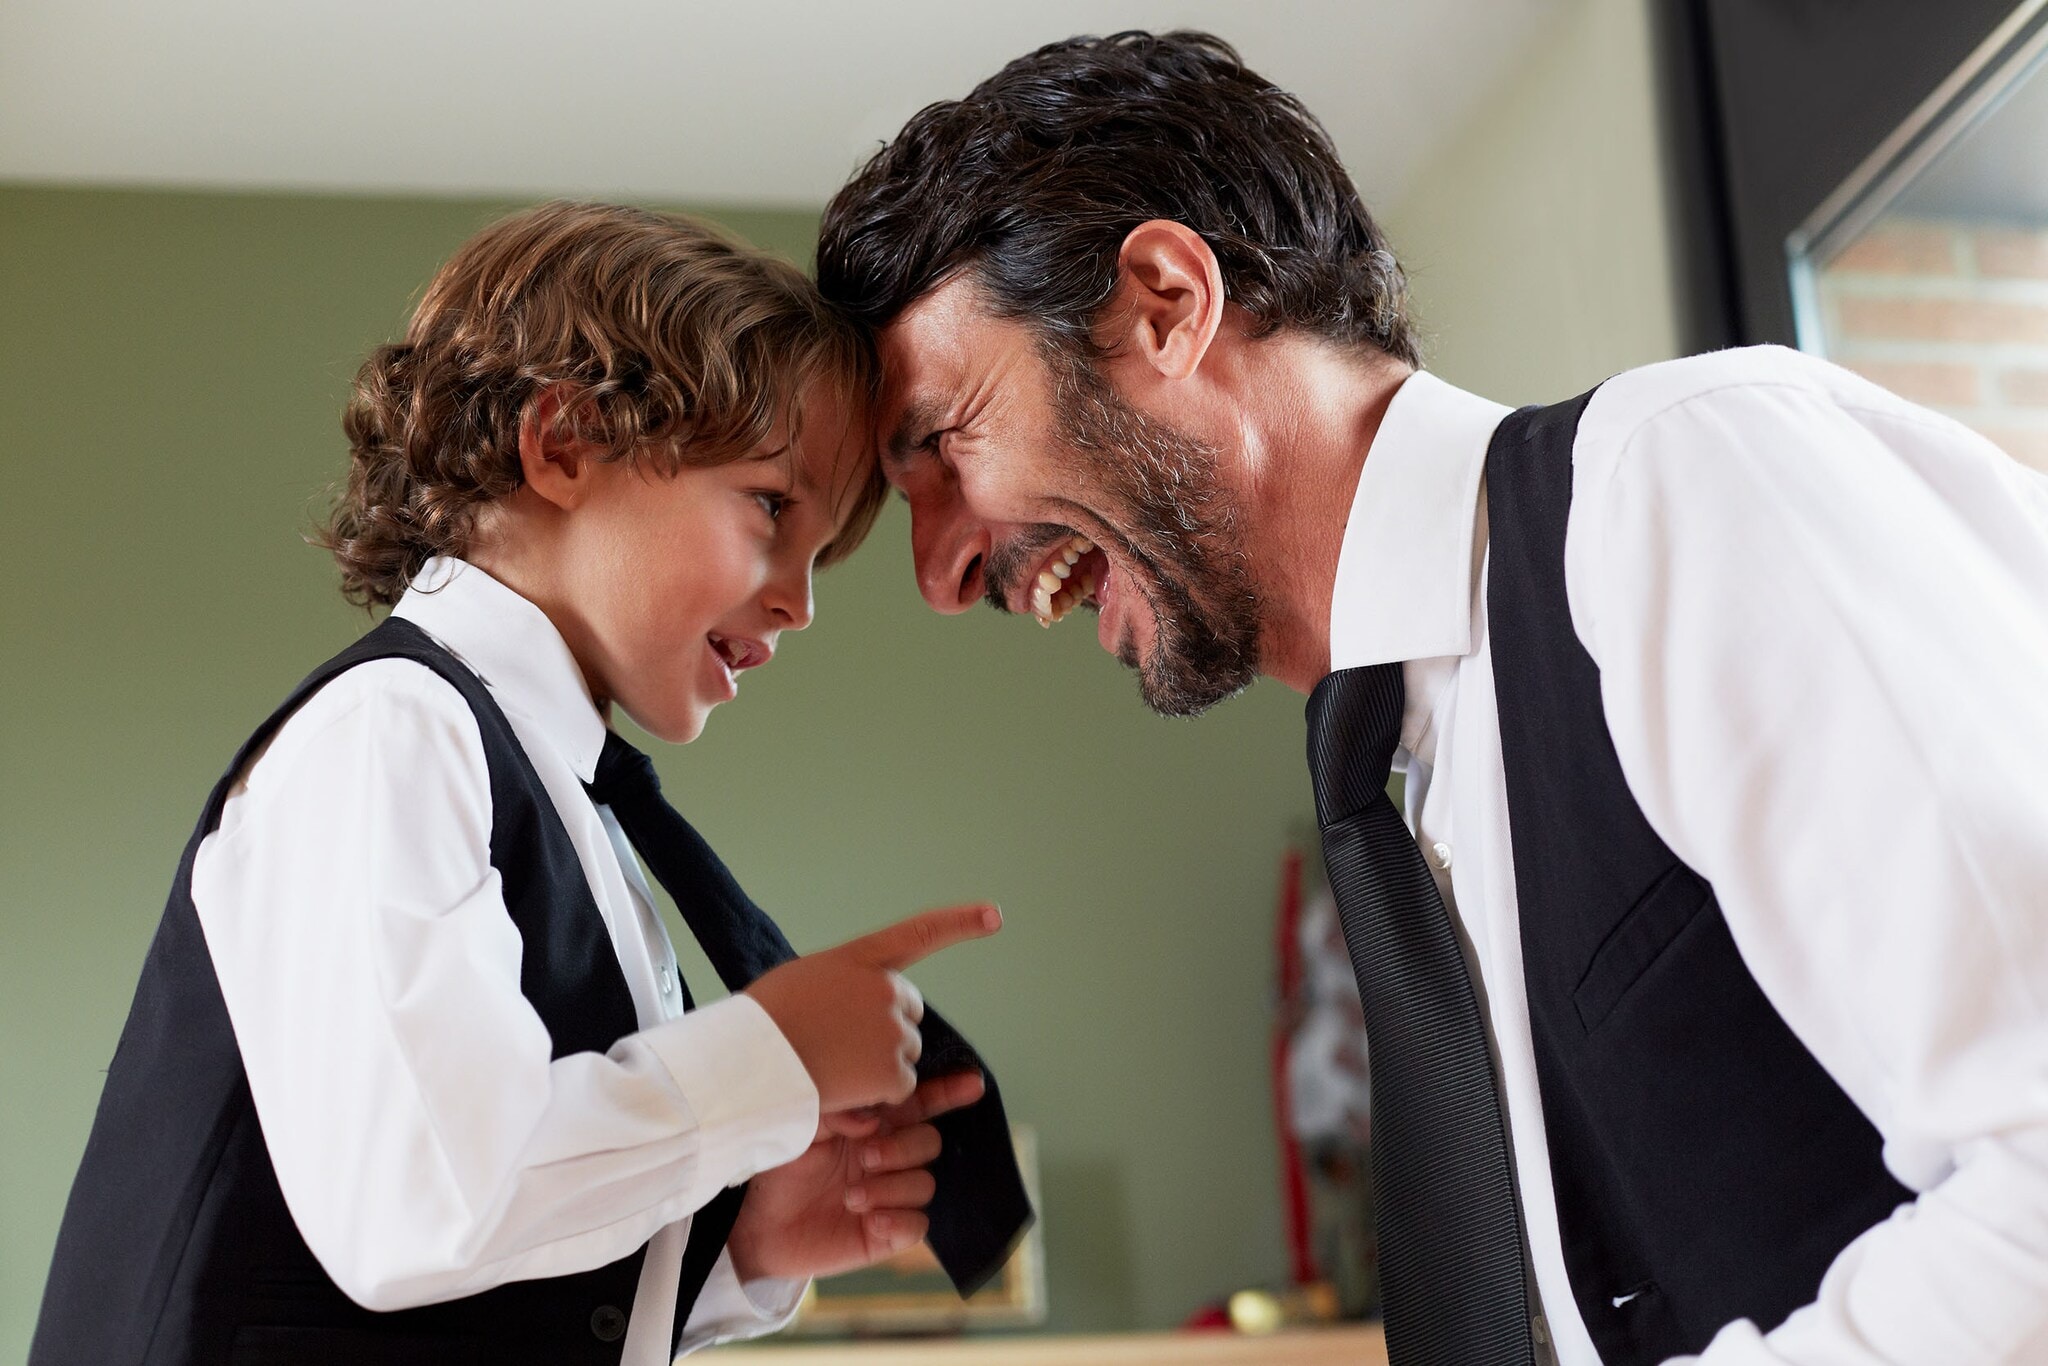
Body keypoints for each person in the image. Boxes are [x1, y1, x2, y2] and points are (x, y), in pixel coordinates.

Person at [814, 30, 2048, 1366]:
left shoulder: (1677, 483)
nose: (941, 576)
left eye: (941, 440)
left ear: (1164, 303)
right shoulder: (1409, 771)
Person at [31, 201, 1024, 1366]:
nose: (797, 603)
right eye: (769, 507)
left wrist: (731, 1248)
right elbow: (421, 1197)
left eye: (818, 559)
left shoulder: (558, 795)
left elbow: (484, 1257)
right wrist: (769, 1057)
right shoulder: (392, 732)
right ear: (561, 445)